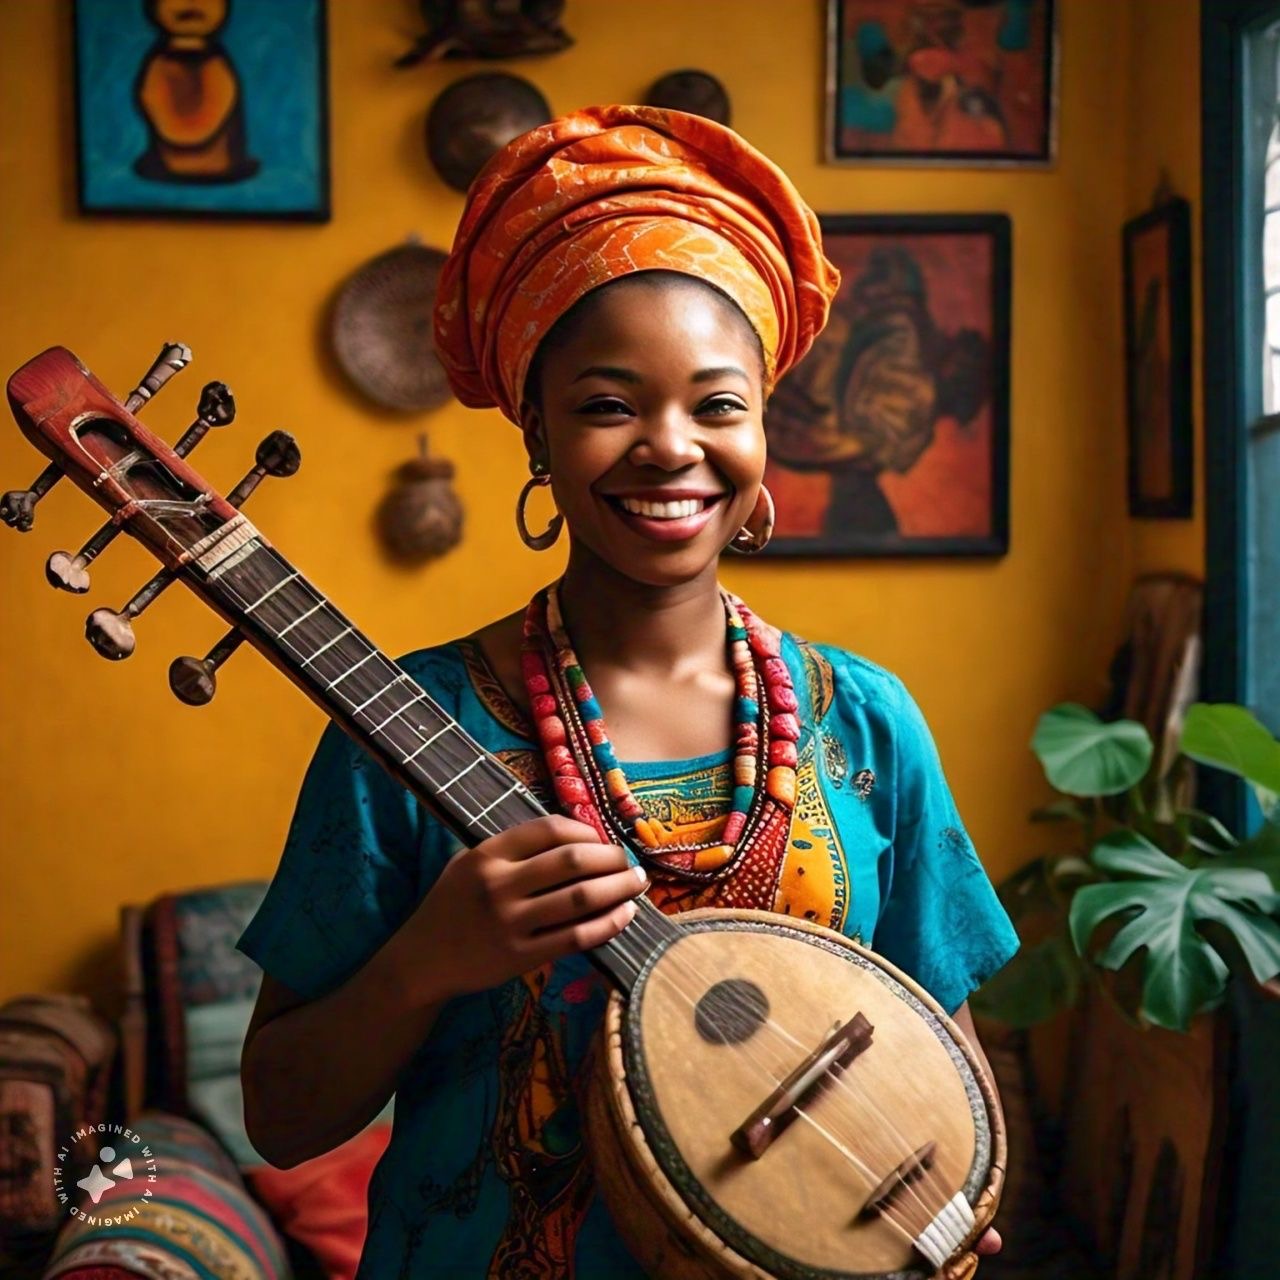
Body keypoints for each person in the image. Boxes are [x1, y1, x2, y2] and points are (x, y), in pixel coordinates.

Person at [237, 104, 1019, 1279]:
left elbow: (934, 1052)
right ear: (537, 435)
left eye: (717, 403)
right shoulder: (402, 727)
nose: (670, 446)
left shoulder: (863, 721)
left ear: (762, 436)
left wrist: (947, 1200)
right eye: (609, 404)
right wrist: (430, 956)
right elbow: (281, 1115)